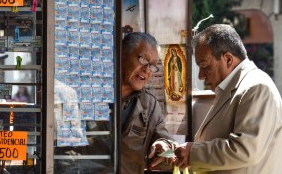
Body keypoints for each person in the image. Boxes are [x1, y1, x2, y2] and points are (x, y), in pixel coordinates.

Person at [174, 24, 282, 174]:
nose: (201, 76)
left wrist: (193, 152)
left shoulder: (256, 87)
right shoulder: (235, 87)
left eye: (205, 66)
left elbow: (245, 150)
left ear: (228, 59)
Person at [121, 32, 176, 173]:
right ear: (122, 55)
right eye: (143, 61)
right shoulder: (93, 95)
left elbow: (169, 152)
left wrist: (165, 147)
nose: (146, 70)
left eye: (152, 66)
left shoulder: (150, 106)